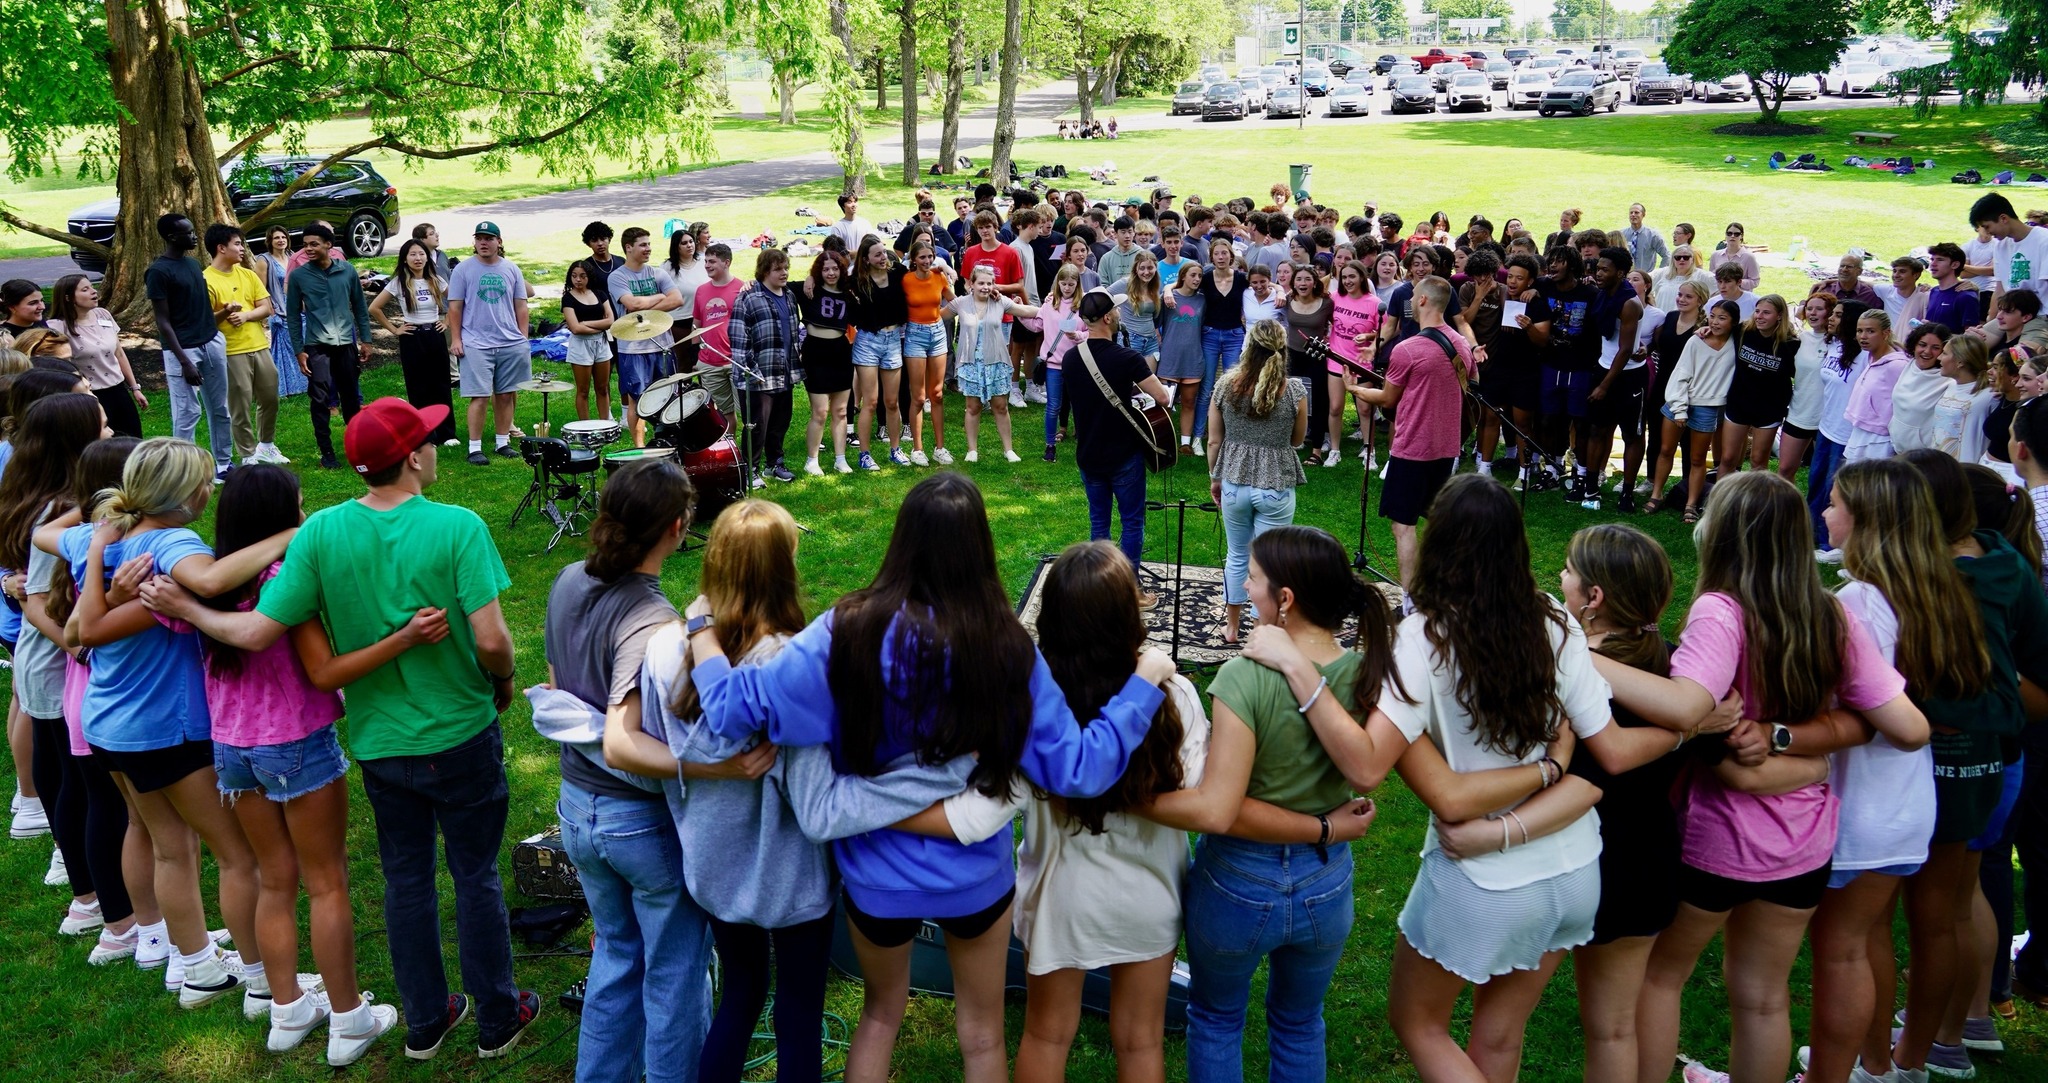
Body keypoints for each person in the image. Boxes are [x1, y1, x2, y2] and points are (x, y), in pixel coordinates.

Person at [678, 472, 1178, 1083]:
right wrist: (1142, 685)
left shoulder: (844, 631)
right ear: (981, 548)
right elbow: (1080, 769)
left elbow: (732, 710)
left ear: (902, 541)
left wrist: (701, 631)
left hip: (874, 876)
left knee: (879, 1017)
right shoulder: (1007, 649)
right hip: (973, 877)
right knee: (983, 1036)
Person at [141, 399, 540, 1062]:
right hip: (462, 731)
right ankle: (498, 1018)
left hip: (382, 743)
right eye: (428, 440)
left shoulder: (321, 531)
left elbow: (257, 630)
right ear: (413, 458)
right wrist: (501, 682)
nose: (434, 448)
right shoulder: (459, 526)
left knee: (406, 878)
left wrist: (188, 606)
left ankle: (424, 1021)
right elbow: (494, 640)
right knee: (475, 876)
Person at [1239, 491, 1646, 1083]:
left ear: (1439, 545)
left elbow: (1366, 767)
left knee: (1418, 1021)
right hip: (1575, 868)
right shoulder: (1556, 620)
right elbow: (1600, 741)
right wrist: (1553, 767)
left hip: (1484, 881)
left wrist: (1299, 668)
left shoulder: (1424, 636)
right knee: (1499, 1035)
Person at [943, 537, 1368, 1083]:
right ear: (1131, 612)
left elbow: (1000, 793)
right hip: (1147, 895)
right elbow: (1206, 798)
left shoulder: (1030, 703)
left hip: (1061, 895)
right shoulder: (1174, 696)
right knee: (1140, 1041)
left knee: (1046, 1034)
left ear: (1052, 617)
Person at [1597, 472, 1923, 1083]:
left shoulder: (1720, 612)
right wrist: (1804, 749)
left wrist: (1575, 656)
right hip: (1803, 840)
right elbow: (1906, 725)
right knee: (1764, 998)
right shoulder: (1830, 613)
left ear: (1722, 534)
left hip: (1715, 840)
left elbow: (1686, 706)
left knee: (1661, 978)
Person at [193, 464, 422, 1063]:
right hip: (294, 740)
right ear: (278, 517)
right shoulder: (284, 577)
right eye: (296, 505)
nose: (303, 514)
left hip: (231, 748)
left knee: (275, 878)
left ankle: (287, 1008)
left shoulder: (203, 580)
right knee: (326, 882)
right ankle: (349, 1020)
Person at [72, 439, 297, 1010]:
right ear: (186, 494)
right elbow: (213, 581)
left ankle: (194, 966)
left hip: (108, 722)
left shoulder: (104, 536)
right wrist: (289, 534)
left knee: (167, 846)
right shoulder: (174, 543)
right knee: (238, 856)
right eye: (204, 482)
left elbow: (78, 623)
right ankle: (262, 982)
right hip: (165, 728)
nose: (209, 492)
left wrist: (98, 557)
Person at [536, 457, 711, 1083]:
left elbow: (556, 685)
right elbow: (621, 743)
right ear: (676, 527)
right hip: (637, 825)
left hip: (577, 811)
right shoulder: (653, 622)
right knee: (675, 971)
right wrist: (719, 766)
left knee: (615, 955)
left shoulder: (566, 579)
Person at [1800, 458, 1973, 1083]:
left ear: (1867, 520)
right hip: (1906, 798)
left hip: (1863, 802)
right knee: (1865, 938)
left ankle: (1848, 1070)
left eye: (1835, 503)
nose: (1825, 512)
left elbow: (1852, 706)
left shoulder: (1860, 602)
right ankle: (1874, 1065)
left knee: (1842, 951)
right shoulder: (1937, 589)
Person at [1889, 450, 2048, 1083]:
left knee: (1934, 914)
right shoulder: (2005, 562)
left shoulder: (1947, 582)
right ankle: (1963, 1025)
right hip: (1997, 759)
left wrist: (1978, 687)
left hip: (1964, 763)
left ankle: (1934, 1043)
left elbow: (2032, 689)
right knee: (1960, 899)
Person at [0, 395, 114, 946]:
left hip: (45, 660)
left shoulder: (49, 501)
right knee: (77, 783)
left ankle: (81, 887)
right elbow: (37, 602)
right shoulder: (60, 510)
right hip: (53, 662)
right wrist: (81, 648)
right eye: (101, 424)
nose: (110, 428)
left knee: (64, 776)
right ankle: (87, 893)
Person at [1350, 276, 1470, 589]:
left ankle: (1411, 598)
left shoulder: (1408, 349)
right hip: (1447, 447)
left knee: (1402, 526)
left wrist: (1355, 389)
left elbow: (1388, 399)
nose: (1412, 300)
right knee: (1435, 520)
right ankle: (1439, 587)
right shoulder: (1461, 344)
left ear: (1424, 300)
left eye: (1414, 295)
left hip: (1412, 447)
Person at [1065, 290, 1174, 588]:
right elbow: (1163, 397)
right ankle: (1129, 587)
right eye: (1115, 309)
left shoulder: (1071, 358)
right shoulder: (1128, 358)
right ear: (1107, 317)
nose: (1119, 314)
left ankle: (1098, 587)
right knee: (1132, 522)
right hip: (1123, 455)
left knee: (1099, 522)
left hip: (1088, 453)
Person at [1208, 320, 1307, 643]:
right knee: (1269, 563)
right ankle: (1260, 629)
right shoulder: (1294, 391)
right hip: (1276, 483)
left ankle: (1232, 627)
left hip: (1234, 481)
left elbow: (1213, 441)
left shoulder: (1225, 385)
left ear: (1248, 347)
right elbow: (1297, 440)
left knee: (1237, 555)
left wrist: (1215, 478)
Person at [145, 214, 234, 474]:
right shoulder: (158, 272)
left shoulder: (194, 265)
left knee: (220, 408)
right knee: (186, 413)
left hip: (211, 342)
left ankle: (224, 464)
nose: (195, 236)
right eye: (189, 232)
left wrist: (215, 337)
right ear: (172, 237)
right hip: (182, 350)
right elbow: (163, 321)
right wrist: (184, 361)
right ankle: (185, 471)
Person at [284, 222, 372, 471]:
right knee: (320, 399)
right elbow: (292, 315)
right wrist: (299, 350)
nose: (308, 249)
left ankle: (357, 449)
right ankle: (327, 452)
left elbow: (360, 307)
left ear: (329, 245)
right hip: (316, 346)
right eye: (305, 245)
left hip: (345, 343)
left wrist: (366, 340)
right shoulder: (299, 276)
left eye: (314, 244)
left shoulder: (347, 271)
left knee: (351, 398)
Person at [446, 221, 531, 467]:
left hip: (510, 342)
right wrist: (457, 339)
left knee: (505, 394)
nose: (483, 243)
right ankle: (474, 448)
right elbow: (455, 308)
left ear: (499, 242)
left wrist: (523, 338)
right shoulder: (463, 270)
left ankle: (502, 442)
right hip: (476, 343)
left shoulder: (511, 269)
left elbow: (521, 306)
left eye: (489, 238)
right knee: (480, 396)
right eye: (479, 238)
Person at [199, 225, 280, 466]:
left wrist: (245, 315)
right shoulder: (206, 280)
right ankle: (247, 454)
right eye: (237, 244)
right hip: (230, 351)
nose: (242, 249)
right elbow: (204, 322)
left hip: (259, 345)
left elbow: (267, 308)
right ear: (221, 248)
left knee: (270, 398)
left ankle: (266, 445)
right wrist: (225, 312)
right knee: (240, 406)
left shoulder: (248, 275)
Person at [944, 263, 1040, 463]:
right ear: (971, 284)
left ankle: (1008, 450)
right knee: (973, 407)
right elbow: (936, 316)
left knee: (1001, 406)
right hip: (970, 363)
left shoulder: (1000, 301)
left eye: (989, 283)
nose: (985, 287)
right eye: (981, 283)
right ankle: (972, 450)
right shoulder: (960, 303)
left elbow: (1025, 310)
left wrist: (1051, 308)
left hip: (996, 362)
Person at [1656, 299, 1741, 523]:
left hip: (1708, 407)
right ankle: (1656, 495)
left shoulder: (1738, 343)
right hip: (1679, 401)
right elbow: (1681, 374)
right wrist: (1679, 409)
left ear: (1734, 323)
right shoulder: (1696, 340)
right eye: (1712, 316)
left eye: (1722, 318)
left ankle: (1691, 505)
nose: (1715, 322)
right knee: (1666, 450)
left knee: (1698, 459)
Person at [371, 239, 460, 444]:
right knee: (418, 386)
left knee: (441, 383)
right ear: (405, 259)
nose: (418, 258)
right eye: (412, 254)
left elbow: (456, 301)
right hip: (412, 337)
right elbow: (374, 308)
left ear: (427, 258)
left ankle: (447, 433)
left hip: (434, 335)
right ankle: (426, 434)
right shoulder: (398, 282)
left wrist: (446, 321)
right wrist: (395, 329)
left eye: (421, 254)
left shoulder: (436, 279)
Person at [728, 247, 801, 485]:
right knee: (756, 426)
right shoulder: (748, 298)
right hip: (758, 376)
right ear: (764, 272)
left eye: (786, 268)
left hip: (784, 372)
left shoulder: (789, 296)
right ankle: (750, 470)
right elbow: (738, 338)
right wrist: (751, 372)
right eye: (778, 269)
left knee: (781, 422)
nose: (784, 273)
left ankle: (774, 464)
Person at [1582, 248, 1646, 511]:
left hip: (1628, 376)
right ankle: (1591, 488)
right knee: (1597, 430)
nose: (1598, 273)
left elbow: (1626, 349)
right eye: (1598, 268)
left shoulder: (1630, 303)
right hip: (1603, 367)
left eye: (1604, 270)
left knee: (1632, 435)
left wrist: (1603, 386)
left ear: (1620, 273)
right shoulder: (1602, 294)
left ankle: (1627, 493)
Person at [609, 227, 684, 447]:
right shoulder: (617, 277)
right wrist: (660, 296)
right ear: (628, 248)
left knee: (668, 396)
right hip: (633, 349)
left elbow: (677, 299)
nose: (648, 248)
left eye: (649, 244)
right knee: (638, 400)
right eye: (643, 245)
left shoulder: (658, 273)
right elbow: (632, 304)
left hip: (663, 345)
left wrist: (646, 308)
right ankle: (640, 449)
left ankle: (667, 443)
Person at [46, 274, 146, 438]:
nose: (94, 292)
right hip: (89, 396)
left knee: (133, 439)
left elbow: (119, 353)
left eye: (92, 287)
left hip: (119, 391)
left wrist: (135, 388)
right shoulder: (58, 327)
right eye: (85, 289)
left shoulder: (103, 315)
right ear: (68, 297)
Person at [1810, 300, 1873, 554]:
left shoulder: (1865, 355)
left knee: (1833, 488)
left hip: (1846, 433)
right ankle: (1810, 533)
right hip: (1826, 426)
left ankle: (1830, 542)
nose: (1831, 318)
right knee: (1815, 482)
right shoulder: (1834, 344)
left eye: (1837, 315)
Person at [1718, 295, 1801, 475]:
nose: (1759, 316)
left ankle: (1755, 494)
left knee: (1758, 461)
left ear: (1779, 315)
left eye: (1766, 313)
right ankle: (1720, 494)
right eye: (1757, 311)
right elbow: (1718, 330)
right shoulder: (1743, 332)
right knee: (1728, 458)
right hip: (1739, 402)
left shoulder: (1791, 344)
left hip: (1769, 408)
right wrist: (1704, 329)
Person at [848, 237, 911, 469]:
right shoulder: (857, 281)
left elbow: (922, 272)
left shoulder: (898, 273)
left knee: (892, 402)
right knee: (871, 402)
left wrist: (945, 269)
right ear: (866, 259)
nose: (883, 257)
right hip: (867, 341)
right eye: (877, 255)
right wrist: (811, 279)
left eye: (883, 252)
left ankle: (896, 449)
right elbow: (829, 281)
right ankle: (864, 455)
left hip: (893, 340)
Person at [799, 250, 858, 475]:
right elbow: (776, 283)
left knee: (841, 411)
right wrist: (809, 277)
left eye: (835, 268)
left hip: (840, 352)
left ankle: (840, 459)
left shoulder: (848, 293)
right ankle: (812, 460)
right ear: (818, 271)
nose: (831, 273)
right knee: (820, 411)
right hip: (816, 352)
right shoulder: (809, 289)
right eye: (825, 269)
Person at [900, 239, 955, 466]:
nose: (927, 261)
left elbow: (954, 302)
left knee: (937, 394)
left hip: (937, 333)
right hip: (914, 335)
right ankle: (917, 448)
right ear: (914, 259)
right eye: (922, 257)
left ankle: (939, 448)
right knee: (919, 396)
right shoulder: (906, 280)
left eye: (930, 256)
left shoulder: (939, 277)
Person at [1325, 260, 1384, 468]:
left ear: (1362, 277)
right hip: (1336, 361)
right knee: (1335, 407)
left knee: (1365, 409)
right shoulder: (1334, 298)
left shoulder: (1374, 303)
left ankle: (1369, 451)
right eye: (1344, 277)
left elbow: (1386, 330)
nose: (1348, 281)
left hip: (1361, 363)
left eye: (1352, 276)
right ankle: (1334, 450)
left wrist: (1368, 336)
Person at [1195, 240, 1250, 451]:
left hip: (1234, 335)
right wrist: (1170, 289)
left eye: (1224, 253)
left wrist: (1279, 290)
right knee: (1206, 385)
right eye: (1216, 254)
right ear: (1211, 257)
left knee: (1232, 386)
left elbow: (1265, 283)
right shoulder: (1206, 278)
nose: (1220, 257)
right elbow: (1183, 284)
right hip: (1209, 335)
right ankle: (1198, 436)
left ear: (1231, 256)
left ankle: (1230, 436)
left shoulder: (1241, 278)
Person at [1778, 294, 1836, 485]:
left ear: (1830, 313)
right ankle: (1790, 504)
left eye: (1819, 309)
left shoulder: (1839, 344)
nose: (1812, 313)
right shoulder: (1800, 339)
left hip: (1827, 418)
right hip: (1799, 412)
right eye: (1809, 308)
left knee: (1824, 475)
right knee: (1785, 469)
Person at [1842, 309, 1908, 464]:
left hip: (1879, 441)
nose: (1863, 336)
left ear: (1886, 333)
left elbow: (1905, 405)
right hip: (1860, 431)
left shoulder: (1897, 365)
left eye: (1870, 331)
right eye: (1859, 331)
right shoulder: (1871, 357)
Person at [1036, 266, 1088, 460]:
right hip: (1053, 365)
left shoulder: (1084, 304)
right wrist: (1018, 311)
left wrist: (1078, 335)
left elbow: (1092, 332)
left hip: (1077, 364)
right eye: (1063, 284)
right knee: (1053, 406)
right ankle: (1050, 446)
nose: (1067, 288)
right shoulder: (1050, 303)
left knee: (1081, 404)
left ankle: (1085, 442)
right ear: (1058, 283)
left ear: (1077, 284)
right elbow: (1037, 325)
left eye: (1071, 284)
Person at [691, 244, 745, 420]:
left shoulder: (742, 289)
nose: (707, 265)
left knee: (747, 413)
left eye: (712, 261)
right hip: (709, 363)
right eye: (706, 261)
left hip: (735, 361)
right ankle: (730, 439)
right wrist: (695, 355)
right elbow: (697, 324)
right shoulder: (701, 291)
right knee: (722, 415)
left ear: (726, 262)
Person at [558, 262, 617, 423]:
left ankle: (606, 424)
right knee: (583, 390)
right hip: (581, 345)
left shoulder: (600, 294)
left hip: (601, 344)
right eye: (574, 276)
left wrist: (586, 324)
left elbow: (610, 321)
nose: (578, 280)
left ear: (589, 277)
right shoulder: (568, 298)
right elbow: (575, 328)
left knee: (602, 388)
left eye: (582, 276)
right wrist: (598, 326)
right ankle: (585, 426)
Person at [1890, 323, 1955, 453]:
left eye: (1935, 348)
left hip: (1922, 456)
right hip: (1896, 448)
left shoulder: (1948, 379)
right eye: (1922, 345)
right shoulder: (1909, 365)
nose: (1927, 352)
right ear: (1914, 345)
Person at [1933, 335, 1999, 463]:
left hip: (1969, 469)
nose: (1939, 357)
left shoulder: (1991, 395)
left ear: (1960, 362)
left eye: (1944, 353)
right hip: (1940, 464)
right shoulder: (1951, 385)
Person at [664, 230, 707, 371]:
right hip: (679, 323)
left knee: (704, 362)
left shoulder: (704, 262)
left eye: (691, 241)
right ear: (676, 247)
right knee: (683, 364)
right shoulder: (666, 268)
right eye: (684, 243)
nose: (689, 245)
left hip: (703, 321)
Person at [1924, 242, 1984, 334]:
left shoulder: (1966, 297)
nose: (1933, 264)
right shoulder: (1934, 291)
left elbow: (1970, 338)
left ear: (1955, 265)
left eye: (1940, 260)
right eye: (1932, 259)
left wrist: (1936, 334)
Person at [1621, 202, 1670, 273]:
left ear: (1643, 215)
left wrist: (1659, 273)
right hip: (1626, 276)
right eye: (1631, 213)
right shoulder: (1622, 234)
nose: (1633, 215)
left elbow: (1667, 256)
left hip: (1646, 275)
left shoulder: (1653, 235)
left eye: (1636, 212)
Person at [1711, 222, 1760, 290]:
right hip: (1720, 293)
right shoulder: (1715, 255)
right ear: (1725, 235)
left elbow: (1755, 281)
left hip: (1740, 294)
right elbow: (1711, 277)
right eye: (1729, 233)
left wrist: (1737, 282)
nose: (1732, 236)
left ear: (1741, 236)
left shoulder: (1749, 257)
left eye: (1736, 234)